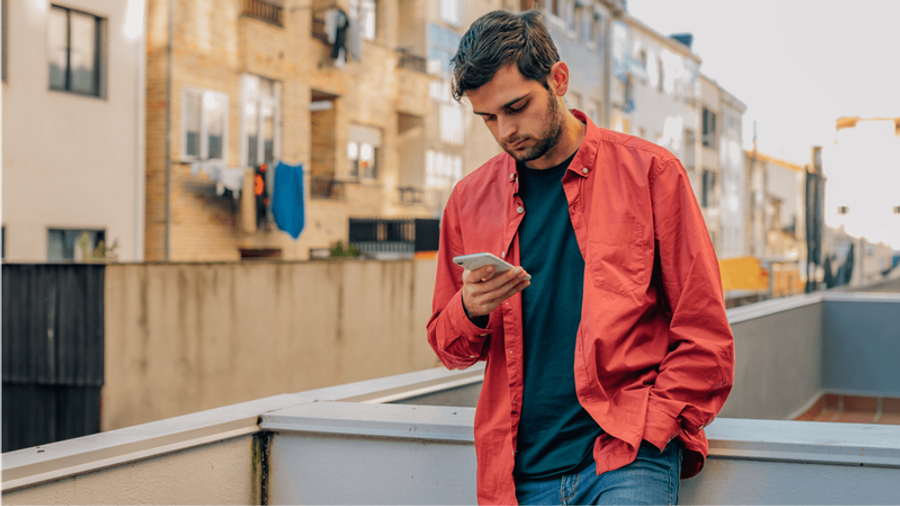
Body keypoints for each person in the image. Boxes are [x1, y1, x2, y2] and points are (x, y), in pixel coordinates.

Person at [426, 10, 735, 506]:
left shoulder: (653, 173)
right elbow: (447, 345)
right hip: (516, 473)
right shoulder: (469, 198)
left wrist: (655, 426)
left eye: (516, 106)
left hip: (626, 457)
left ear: (559, 80)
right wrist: (472, 307)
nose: (505, 131)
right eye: (488, 118)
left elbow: (704, 332)